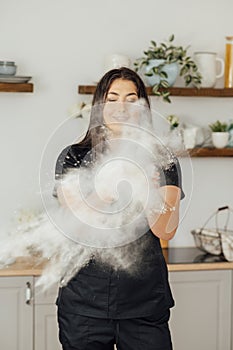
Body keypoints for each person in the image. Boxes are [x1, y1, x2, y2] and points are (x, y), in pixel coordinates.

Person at [54, 67, 185, 350]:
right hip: (83, 305)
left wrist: (147, 190)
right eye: (112, 98)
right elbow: (74, 224)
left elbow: (167, 229)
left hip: (144, 304)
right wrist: (104, 190)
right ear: (99, 105)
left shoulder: (162, 160)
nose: (121, 107)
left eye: (131, 98)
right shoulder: (74, 157)